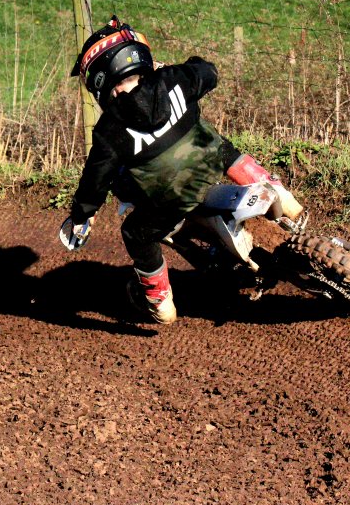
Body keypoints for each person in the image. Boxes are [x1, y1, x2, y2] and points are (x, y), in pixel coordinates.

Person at [59, 16, 301, 324]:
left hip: (170, 200)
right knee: (220, 145)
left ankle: (160, 300)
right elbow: (208, 72)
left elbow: (95, 181)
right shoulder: (172, 79)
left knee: (136, 233)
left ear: (99, 81)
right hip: (211, 163)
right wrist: (181, 68)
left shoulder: (110, 129)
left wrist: (83, 215)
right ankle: (276, 191)